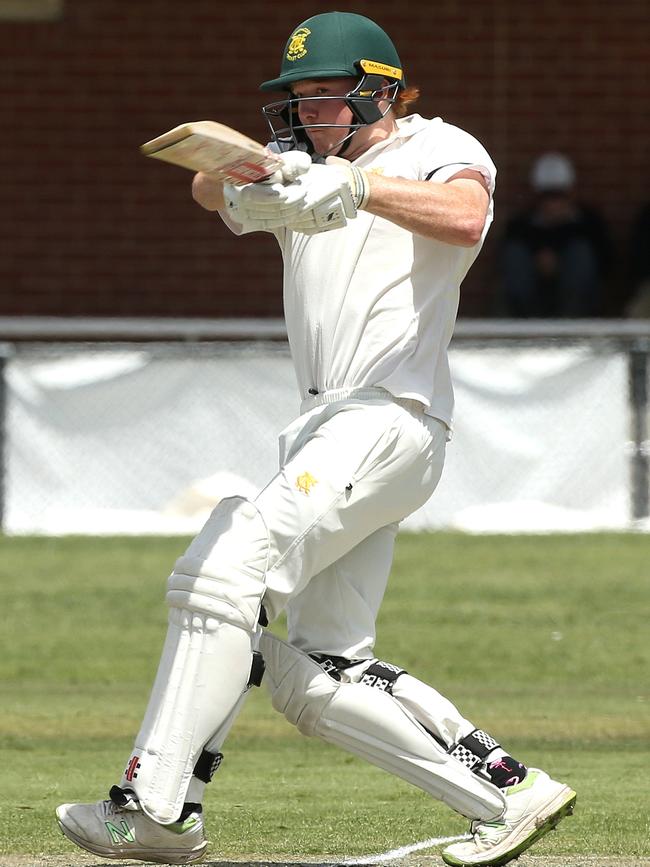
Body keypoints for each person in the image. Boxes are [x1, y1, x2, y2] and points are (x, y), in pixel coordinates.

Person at [55, 13, 576, 867]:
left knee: (224, 569)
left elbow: (465, 214)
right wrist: (256, 175)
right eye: (293, 99)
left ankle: (155, 805)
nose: (304, 113)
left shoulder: (434, 144)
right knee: (319, 670)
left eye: (322, 97)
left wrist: (358, 189)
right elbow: (203, 190)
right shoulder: (310, 169)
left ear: (377, 90)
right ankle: (507, 793)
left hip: (388, 414)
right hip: (328, 426)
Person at [500, 152, 612, 317]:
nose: (553, 203)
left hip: (578, 301)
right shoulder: (520, 225)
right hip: (532, 298)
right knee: (515, 255)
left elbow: (607, 263)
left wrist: (560, 259)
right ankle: (524, 324)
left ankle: (572, 320)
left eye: (559, 196)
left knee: (580, 253)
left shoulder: (589, 223)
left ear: (571, 193)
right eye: (547, 196)